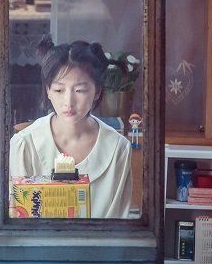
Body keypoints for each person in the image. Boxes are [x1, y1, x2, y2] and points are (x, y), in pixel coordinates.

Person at [9, 36, 133, 218]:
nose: (69, 102)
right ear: (48, 91)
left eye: (80, 90)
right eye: (59, 90)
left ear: (97, 91)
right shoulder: (24, 144)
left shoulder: (117, 149)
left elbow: (116, 223)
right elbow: (19, 216)